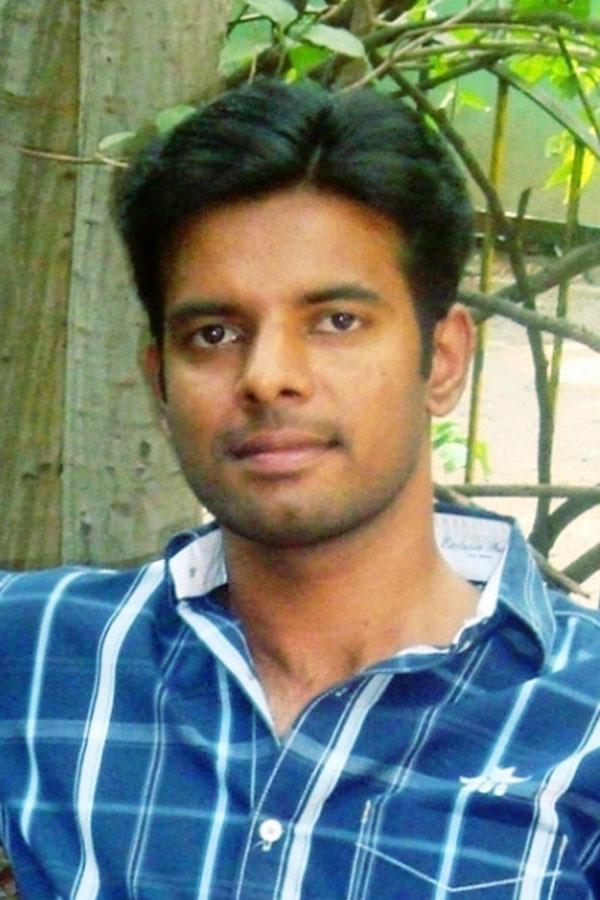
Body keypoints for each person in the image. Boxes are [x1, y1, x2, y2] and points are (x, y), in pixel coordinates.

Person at [1, 79, 599, 900]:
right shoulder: (35, 659)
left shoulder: (580, 720)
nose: (267, 376)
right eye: (214, 333)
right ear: (159, 381)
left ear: (443, 360)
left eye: (336, 321)